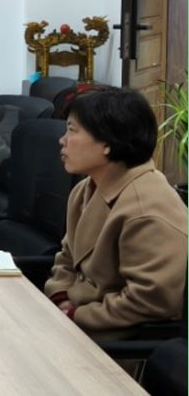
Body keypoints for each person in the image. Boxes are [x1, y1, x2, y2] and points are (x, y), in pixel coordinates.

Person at [44, 88, 187, 338]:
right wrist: (61, 297)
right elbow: (67, 257)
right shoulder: (85, 189)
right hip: (74, 321)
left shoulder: (145, 208)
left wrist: (76, 315)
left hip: (115, 338)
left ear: (107, 144)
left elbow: (150, 301)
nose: (62, 140)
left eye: (72, 130)